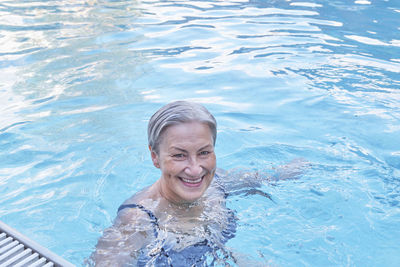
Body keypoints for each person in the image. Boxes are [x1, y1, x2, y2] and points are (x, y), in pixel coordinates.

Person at [90, 101, 306, 266]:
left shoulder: (216, 184)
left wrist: (297, 168)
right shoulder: (137, 221)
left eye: (204, 153)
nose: (195, 170)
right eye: (179, 155)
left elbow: (259, 179)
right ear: (155, 157)